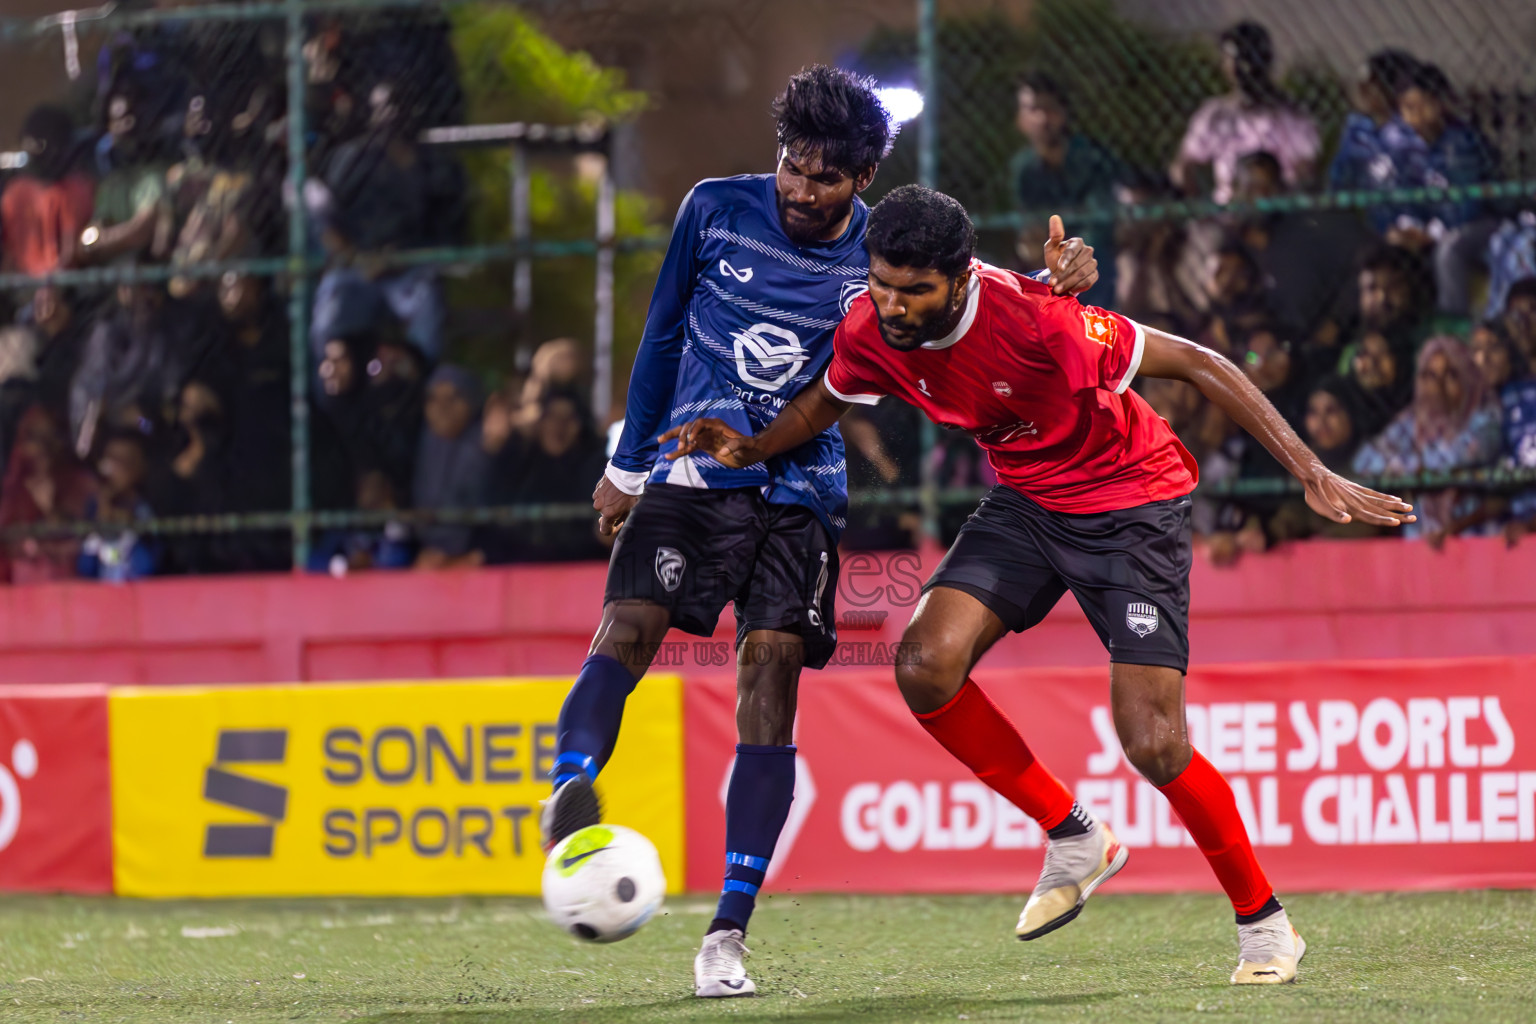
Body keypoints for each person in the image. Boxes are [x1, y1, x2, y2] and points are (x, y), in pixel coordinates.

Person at [665, 184, 1415, 985]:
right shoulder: (871, 326)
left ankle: (1265, 925)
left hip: (1131, 502)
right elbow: (827, 399)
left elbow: (1200, 362)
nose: (891, 304)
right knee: (923, 664)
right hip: (1028, 500)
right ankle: (1074, 834)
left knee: (1154, 741)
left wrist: (1310, 471)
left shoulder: (1039, 319)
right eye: (881, 283)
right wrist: (753, 447)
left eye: (912, 290)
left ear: (960, 279)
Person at [542, 66, 1099, 1000]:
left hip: (799, 485)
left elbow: (978, 299)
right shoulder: (714, 209)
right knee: (627, 627)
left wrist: (1064, 281)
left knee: (768, 672)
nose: (802, 189)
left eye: (825, 177)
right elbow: (662, 334)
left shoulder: (880, 255)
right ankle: (570, 787)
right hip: (691, 461)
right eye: (792, 167)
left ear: (864, 177)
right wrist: (627, 466)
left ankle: (727, 933)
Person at [1352, 336, 1502, 544]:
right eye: (1430, 376)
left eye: (1450, 375)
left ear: (1467, 377)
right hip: (1421, 548)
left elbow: (1455, 458)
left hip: (1479, 544)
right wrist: (1416, 466)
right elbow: (1365, 462)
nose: (1439, 386)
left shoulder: (1485, 418)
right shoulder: (1411, 420)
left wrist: (1405, 465)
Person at [1170, 21, 1319, 204]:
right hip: (1229, 212)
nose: (1243, 69)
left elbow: (1306, 172)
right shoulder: (1216, 114)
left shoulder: (1290, 115)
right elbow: (1183, 166)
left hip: (1277, 209)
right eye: (1235, 61)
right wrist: (1199, 208)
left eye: (1249, 60)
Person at [1010, 72, 1124, 306]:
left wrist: (1069, 253)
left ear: (1063, 113)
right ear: (1020, 119)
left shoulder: (1090, 157)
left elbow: (1101, 222)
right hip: (1048, 252)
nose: (1042, 118)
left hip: (1095, 253)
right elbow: (1027, 227)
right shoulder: (1023, 168)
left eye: (1049, 109)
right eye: (1033, 109)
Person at [1, 105, 94, 277]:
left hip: (57, 286)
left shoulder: (72, 189)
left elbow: (69, 254)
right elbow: (8, 254)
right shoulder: (15, 194)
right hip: (31, 286)